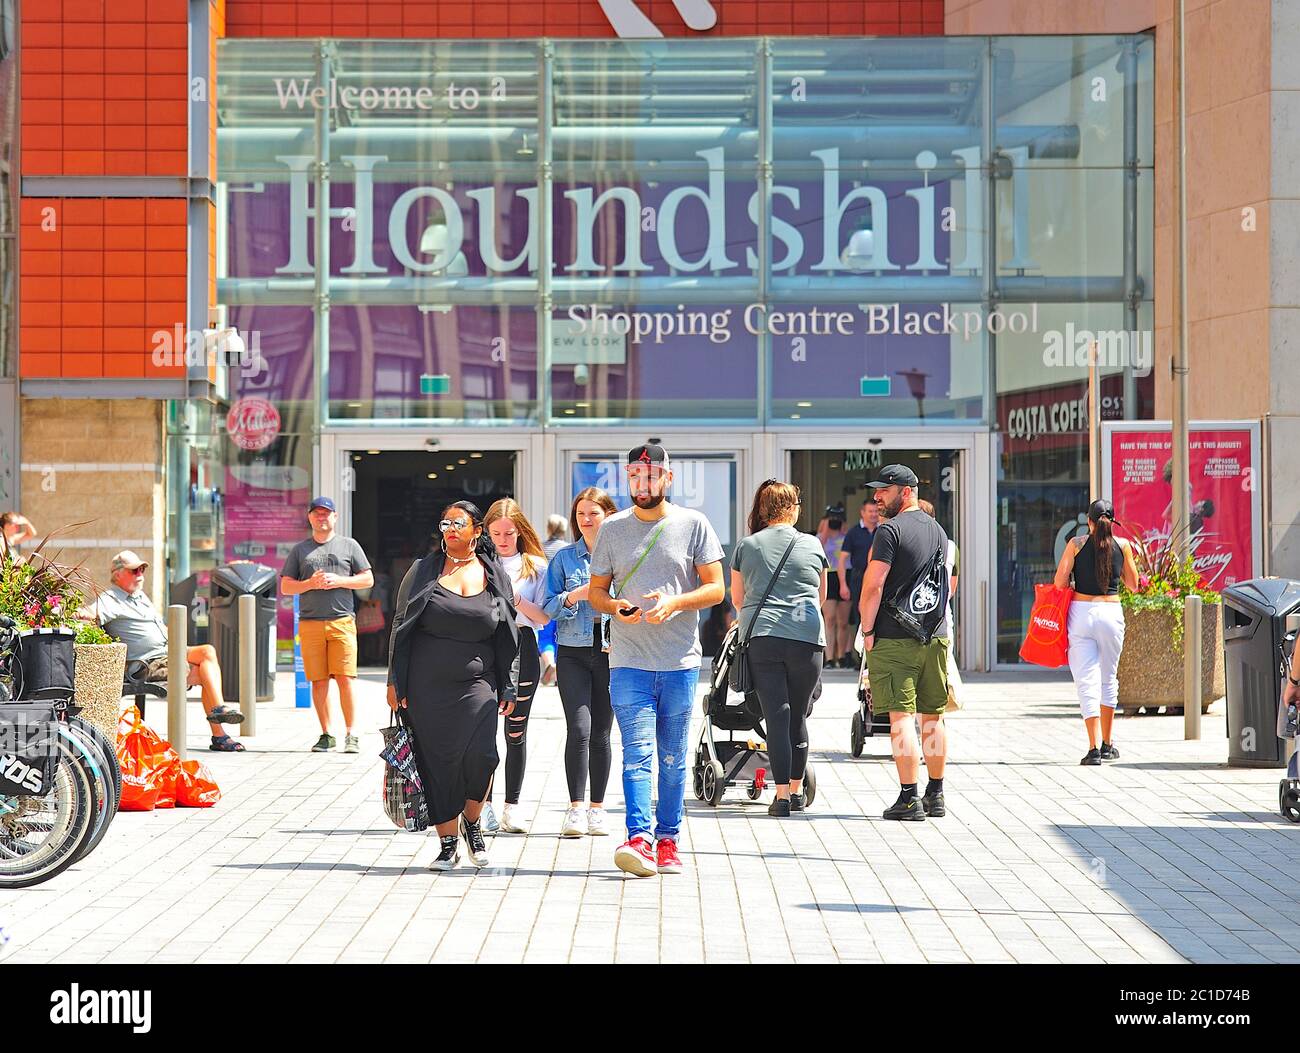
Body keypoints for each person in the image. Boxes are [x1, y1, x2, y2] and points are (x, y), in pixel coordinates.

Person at [589, 444, 725, 877]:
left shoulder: (693, 524)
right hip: (627, 660)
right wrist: (615, 609)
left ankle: (668, 840)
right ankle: (638, 839)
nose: (642, 485)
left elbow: (717, 589)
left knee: (671, 756)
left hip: (680, 661)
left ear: (667, 478)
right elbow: (596, 593)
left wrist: (677, 602)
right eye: (635, 476)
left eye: (650, 477)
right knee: (637, 752)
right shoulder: (612, 529)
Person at [388, 501, 520, 871]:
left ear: (477, 531)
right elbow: (401, 627)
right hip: (426, 685)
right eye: (445, 523)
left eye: (458, 523)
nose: (450, 529)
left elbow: (508, 633)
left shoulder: (494, 575)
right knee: (438, 762)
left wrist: (508, 685)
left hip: (479, 682)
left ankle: (473, 823)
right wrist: (394, 681)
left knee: (482, 757)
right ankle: (448, 843)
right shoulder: (422, 570)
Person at [858, 465, 950, 821]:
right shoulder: (939, 531)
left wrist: (867, 632)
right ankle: (936, 794)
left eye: (885, 490)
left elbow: (873, 585)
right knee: (933, 718)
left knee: (901, 719)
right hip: (935, 635)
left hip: (895, 638)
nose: (878, 497)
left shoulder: (889, 532)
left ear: (906, 492)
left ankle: (909, 798)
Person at [731, 480, 827, 817]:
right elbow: (821, 597)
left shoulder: (748, 545)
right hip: (807, 637)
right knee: (798, 716)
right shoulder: (813, 545)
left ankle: (782, 796)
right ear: (793, 508)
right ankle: (798, 790)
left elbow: (739, 600)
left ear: (762, 509)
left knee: (777, 715)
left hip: (764, 638)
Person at [91, 550, 246, 751]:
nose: (140, 574)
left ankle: (218, 709)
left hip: (167, 652)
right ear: (117, 574)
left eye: (142, 569)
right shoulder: (110, 599)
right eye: (134, 570)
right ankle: (220, 735)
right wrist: (64, 610)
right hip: (148, 662)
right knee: (203, 674)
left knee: (207, 651)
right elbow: (88, 612)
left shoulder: (139, 596)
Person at [542, 486, 618, 838]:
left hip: (611, 650)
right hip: (572, 651)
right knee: (580, 729)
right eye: (581, 514)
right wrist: (575, 595)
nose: (586, 520)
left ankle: (597, 809)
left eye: (594, 513)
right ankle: (575, 808)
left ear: (608, 515)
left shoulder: (623, 556)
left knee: (602, 732)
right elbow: (547, 608)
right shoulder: (563, 558)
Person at [279, 497, 374, 754]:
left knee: (346, 678)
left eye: (326, 514)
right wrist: (310, 583)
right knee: (318, 681)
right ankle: (326, 733)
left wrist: (339, 580)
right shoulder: (300, 550)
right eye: (317, 514)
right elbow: (286, 586)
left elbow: (367, 579)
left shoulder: (349, 545)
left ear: (335, 517)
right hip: (310, 623)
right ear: (310, 517)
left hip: (342, 621)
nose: (322, 518)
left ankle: (352, 733)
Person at [1054, 499, 1139, 765]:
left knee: (1086, 681)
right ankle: (1107, 744)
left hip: (1081, 613)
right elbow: (1133, 584)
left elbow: (1059, 582)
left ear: (1089, 521)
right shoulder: (1123, 546)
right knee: (1108, 678)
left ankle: (1092, 749)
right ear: (1112, 522)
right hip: (1111, 613)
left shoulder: (1076, 545)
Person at [483, 498, 550, 834]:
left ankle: (513, 806)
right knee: (481, 733)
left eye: (509, 532)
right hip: (484, 647)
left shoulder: (535, 566)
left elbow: (544, 617)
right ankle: (484, 806)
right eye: (496, 533)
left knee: (516, 732)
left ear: (520, 532)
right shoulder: (478, 563)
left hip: (522, 645)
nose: (503, 539)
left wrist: (516, 598)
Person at [839, 498, 879, 633]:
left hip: (880, 578)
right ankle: (861, 652)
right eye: (870, 511)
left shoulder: (885, 531)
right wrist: (843, 585)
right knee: (859, 615)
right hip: (858, 578)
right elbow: (842, 560)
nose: (873, 514)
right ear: (862, 512)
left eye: (876, 511)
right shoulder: (853, 532)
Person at [818, 505, 851, 668]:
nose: (835, 522)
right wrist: (825, 526)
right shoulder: (821, 537)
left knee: (843, 621)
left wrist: (843, 525)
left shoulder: (847, 536)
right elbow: (820, 547)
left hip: (845, 575)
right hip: (829, 576)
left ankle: (842, 655)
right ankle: (829, 657)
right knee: (829, 619)